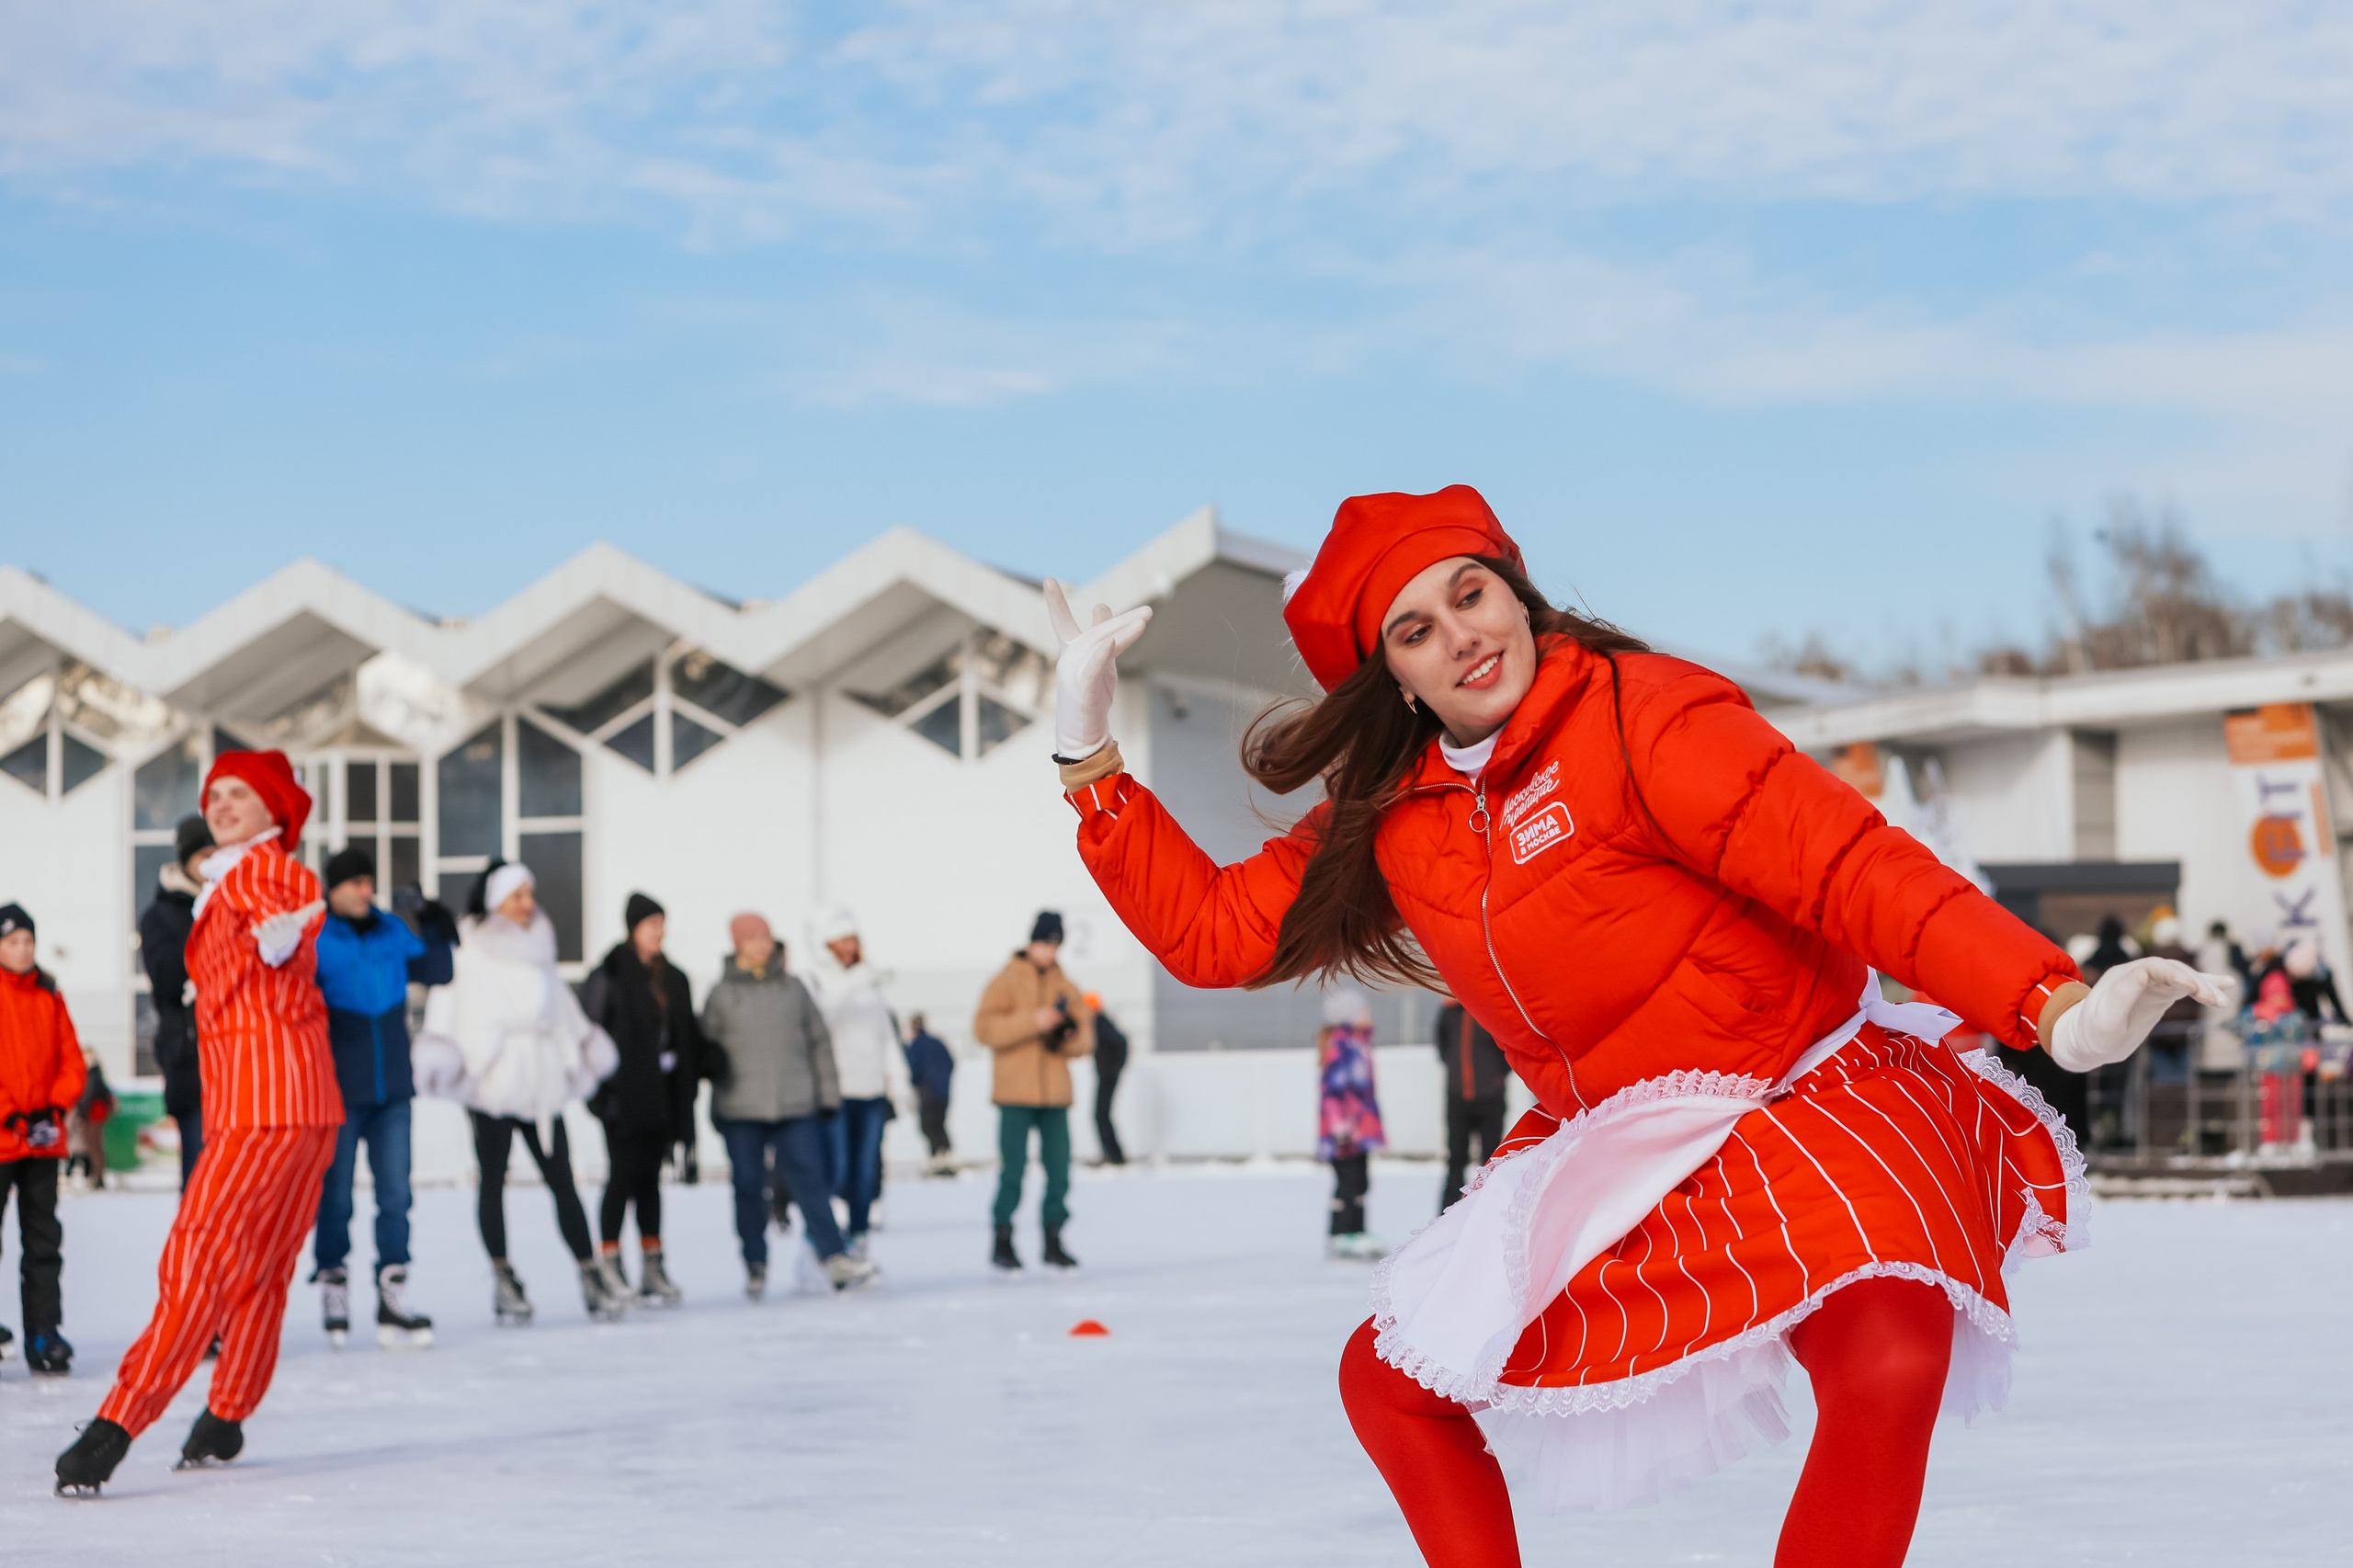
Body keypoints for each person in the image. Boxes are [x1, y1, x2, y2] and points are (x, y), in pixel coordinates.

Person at [1040, 483, 2226, 1564]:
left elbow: (1849, 865)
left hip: (1797, 1081)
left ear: (1517, 590)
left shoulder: (1640, 715)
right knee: (1389, 1378)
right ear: (1394, 678)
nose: (1463, 634)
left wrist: (2049, 1003)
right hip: (1613, 1133)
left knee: (1891, 1342)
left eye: (1471, 592)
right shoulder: (1395, 814)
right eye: (1416, 629)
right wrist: (1087, 752)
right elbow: (1213, 932)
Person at [57, 749, 346, 1494]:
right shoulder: (228, 881)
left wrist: (284, 938)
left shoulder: (262, 870)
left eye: (238, 793)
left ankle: (117, 1421)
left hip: (264, 1105)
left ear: (273, 808)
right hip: (302, 1105)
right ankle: (227, 1412)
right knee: (262, 1265)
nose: (219, 804)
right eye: (213, 793)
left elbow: (288, 917)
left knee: (202, 1252)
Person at [415, 859, 623, 1325]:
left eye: (530, 894)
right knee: (492, 1179)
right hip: (491, 1081)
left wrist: (585, 1047)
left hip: (541, 1081)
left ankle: (590, 1273)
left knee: (561, 1178)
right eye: (518, 896)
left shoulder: (539, 946)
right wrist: (443, 1053)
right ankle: (504, 1277)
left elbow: (563, 1008)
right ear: (496, 902)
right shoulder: (469, 949)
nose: (529, 905)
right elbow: (447, 1001)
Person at [309, 846, 455, 1349]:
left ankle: (392, 1294)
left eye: (369, 882)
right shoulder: (318, 939)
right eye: (355, 883)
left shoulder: (394, 930)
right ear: (333, 889)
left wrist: (435, 921)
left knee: (396, 1195)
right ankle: (334, 1284)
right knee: (336, 1196)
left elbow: (438, 969)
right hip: (339, 1091)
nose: (365, 891)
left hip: (393, 1087)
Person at [700, 913, 877, 1296]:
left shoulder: (794, 989)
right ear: (738, 944)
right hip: (740, 1108)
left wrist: (827, 1094)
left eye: (767, 937)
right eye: (754, 939)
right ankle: (755, 1262)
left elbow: (819, 1043)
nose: (763, 945)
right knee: (748, 1187)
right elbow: (705, 1050)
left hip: (795, 1104)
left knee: (811, 1181)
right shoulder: (721, 995)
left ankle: (833, 1256)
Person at [582, 892, 703, 1309]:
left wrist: (703, 1062)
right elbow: (590, 1032)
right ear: (633, 929)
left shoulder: (674, 978)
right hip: (623, 1097)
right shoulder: (612, 973)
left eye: (661, 924)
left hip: (661, 1097)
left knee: (650, 1181)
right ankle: (610, 1260)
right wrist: (600, 1092)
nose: (659, 932)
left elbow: (687, 1034)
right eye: (651, 925)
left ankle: (653, 1263)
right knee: (622, 1178)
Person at [972, 912, 1093, 1272]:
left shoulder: (1067, 986)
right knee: (1013, 1170)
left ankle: (1053, 1240)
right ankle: (1003, 1238)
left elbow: (1086, 1039)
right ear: (1031, 942)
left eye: (1055, 945)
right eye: (1045, 943)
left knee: (1059, 1172)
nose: (1050, 952)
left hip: (1055, 1095)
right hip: (1014, 1094)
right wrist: (1033, 1022)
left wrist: (1066, 1035)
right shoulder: (1004, 981)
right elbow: (984, 1029)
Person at [0, 903, 86, 1376]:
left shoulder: (49, 994)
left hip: (42, 1140)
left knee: (43, 1242)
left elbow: (72, 1059)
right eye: (13, 941)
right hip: (4, 1137)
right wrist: (10, 1114)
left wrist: (54, 1107)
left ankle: (44, 1333)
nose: (23, 949)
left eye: (28, 941)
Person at [802, 906, 910, 1256]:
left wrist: (899, 1081)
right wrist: (853, 984)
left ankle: (860, 1238)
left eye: (853, 939)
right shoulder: (815, 980)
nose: (850, 947)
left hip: (871, 1093)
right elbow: (819, 1021)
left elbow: (886, 1037)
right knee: (836, 1171)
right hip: (835, 1092)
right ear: (826, 944)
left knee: (866, 1174)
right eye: (842, 940)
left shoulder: (869, 982)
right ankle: (824, 1244)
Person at [138, 814, 212, 1187]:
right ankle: (198, 1249)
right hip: (193, 1063)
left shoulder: (237, 904)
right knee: (201, 1181)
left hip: (243, 1063)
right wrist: (207, 940)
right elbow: (166, 982)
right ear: (185, 859)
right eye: (203, 855)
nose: (211, 864)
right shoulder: (160, 916)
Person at [1317, 991, 1387, 1259]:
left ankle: (1355, 1230)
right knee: (1349, 1182)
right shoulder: (1342, 1048)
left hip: (1359, 1132)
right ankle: (1343, 1233)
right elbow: (1334, 1095)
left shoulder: (1357, 1044)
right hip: (1345, 1134)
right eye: (1361, 1010)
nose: (1367, 1014)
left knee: (1360, 1181)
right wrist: (1341, 1130)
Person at [1433, 991, 1510, 1212]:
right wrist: (1457, 1073)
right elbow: (1443, 1046)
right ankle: (1446, 1215)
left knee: (1491, 1158)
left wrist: (1496, 1078)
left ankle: (1491, 1210)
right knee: (1456, 1158)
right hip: (1457, 1097)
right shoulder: (1449, 1011)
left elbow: (1505, 1047)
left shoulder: (1489, 1010)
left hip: (1490, 1098)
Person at [903, 1012, 957, 1176]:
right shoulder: (937, 1042)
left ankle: (937, 1159)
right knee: (939, 1124)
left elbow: (912, 1069)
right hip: (943, 1092)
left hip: (928, 1093)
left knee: (928, 1126)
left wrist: (921, 1083)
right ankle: (945, 1157)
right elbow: (951, 1063)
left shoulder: (916, 1045)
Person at [1084, 994, 1128, 1165]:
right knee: (1102, 1115)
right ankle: (1113, 1154)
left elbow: (1120, 1042)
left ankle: (1114, 1156)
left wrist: (1113, 1068)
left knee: (1100, 1115)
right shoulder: (1101, 1022)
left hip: (1107, 1075)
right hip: (1107, 1074)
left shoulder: (1100, 1023)